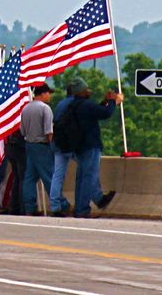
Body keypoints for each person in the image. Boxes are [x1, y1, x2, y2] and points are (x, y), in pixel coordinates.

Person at [65, 77, 122, 218]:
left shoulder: (75, 105)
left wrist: (106, 101)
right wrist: (114, 102)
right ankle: (83, 209)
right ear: (81, 92)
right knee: (89, 177)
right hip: (91, 146)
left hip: (80, 146)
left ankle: (80, 207)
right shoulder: (85, 105)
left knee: (82, 178)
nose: (89, 91)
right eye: (86, 89)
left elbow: (97, 111)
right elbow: (105, 113)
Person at [20, 84, 55, 216]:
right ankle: (58, 204)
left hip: (29, 144)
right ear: (42, 94)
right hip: (42, 145)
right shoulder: (45, 109)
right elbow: (48, 131)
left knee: (29, 177)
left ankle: (30, 206)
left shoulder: (26, 108)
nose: (49, 96)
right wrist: (52, 146)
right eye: (48, 93)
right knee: (49, 176)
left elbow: (22, 130)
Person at [48, 85, 75, 217]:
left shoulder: (60, 104)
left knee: (57, 175)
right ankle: (95, 198)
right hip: (70, 144)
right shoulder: (74, 104)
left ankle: (55, 205)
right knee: (87, 171)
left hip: (57, 143)